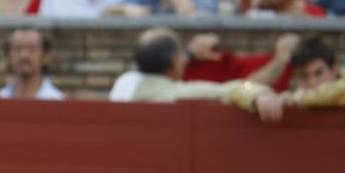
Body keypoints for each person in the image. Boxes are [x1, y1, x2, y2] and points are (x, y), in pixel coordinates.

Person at [107, 27, 288, 123]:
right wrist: (257, 93)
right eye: (180, 52)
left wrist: (189, 54)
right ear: (174, 61)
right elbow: (232, 89)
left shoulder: (124, 82)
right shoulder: (175, 93)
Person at [281, 35, 345, 107]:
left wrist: (291, 99)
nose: (312, 82)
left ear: (335, 68)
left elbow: (343, 92)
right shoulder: (300, 95)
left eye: (318, 73)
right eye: (304, 76)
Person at [0, 27, 64, 98]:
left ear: (45, 56)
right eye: (18, 48)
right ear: (8, 56)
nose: (24, 55)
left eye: (32, 49)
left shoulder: (59, 100)